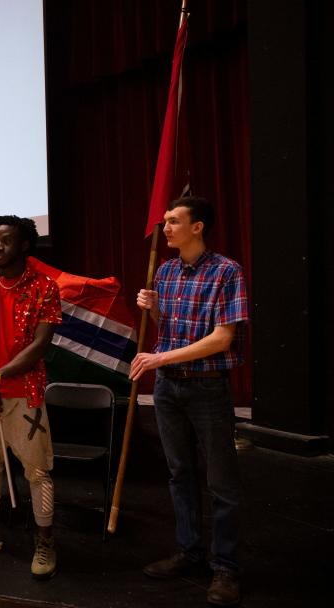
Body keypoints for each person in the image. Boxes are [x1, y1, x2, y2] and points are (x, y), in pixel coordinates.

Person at [132, 197, 246, 608]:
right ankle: (190, 551)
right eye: (164, 221)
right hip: (168, 387)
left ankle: (226, 567)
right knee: (180, 473)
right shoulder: (165, 270)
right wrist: (156, 308)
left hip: (206, 388)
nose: (165, 228)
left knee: (221, 481)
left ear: (197, 227)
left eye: (174, 222)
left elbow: (220, 338)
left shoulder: (226, 271)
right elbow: (174, 330)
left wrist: (158, 357)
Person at [0, 215, 60, 580]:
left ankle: (45, 540)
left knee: (37, 471)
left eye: (5, 241)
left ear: (24, 246)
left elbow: (41, 344)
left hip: (23, 393)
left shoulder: (44, 287)